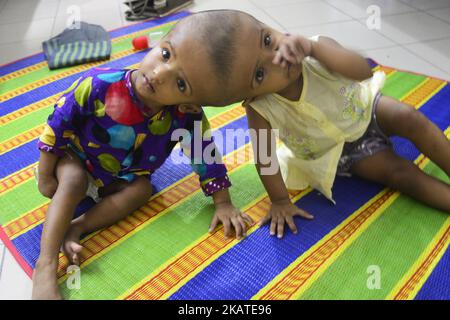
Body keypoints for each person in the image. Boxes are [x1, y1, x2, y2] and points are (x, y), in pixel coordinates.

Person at [32, 11, 255, 300]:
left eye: (181, 84)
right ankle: (46, 265)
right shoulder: (100, 84)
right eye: (165, 54)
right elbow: (58, 123)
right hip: (74, 158)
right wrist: (46, 173)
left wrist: (222, 202)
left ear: (190, 104)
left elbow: (203, 153)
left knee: (142, 190)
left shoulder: (185, 117)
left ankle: (77, 227)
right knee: (73, 179)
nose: (160, 74)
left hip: (121, 177)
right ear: (160, 41)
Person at [225, 11, 450, 240]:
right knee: (400, 173)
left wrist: (315, 50)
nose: (275, 58)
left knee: (410, 116)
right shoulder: (259, 107)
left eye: (267, 40)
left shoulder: (316, 48)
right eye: (260, 74)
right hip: (341, 151)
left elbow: (363, 71)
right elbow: (265, 157)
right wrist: (280, 200)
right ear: (249, 94)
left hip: (367, 108)